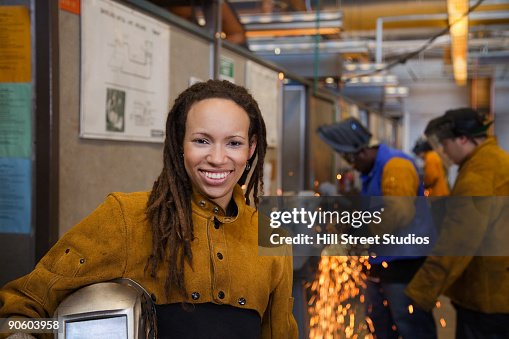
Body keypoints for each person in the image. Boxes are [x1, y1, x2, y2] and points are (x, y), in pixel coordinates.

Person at [0, 80, 298, 339]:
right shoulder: (126, 218)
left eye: (233, 143)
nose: (217, 158)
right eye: (201, 140)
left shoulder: (271, 238)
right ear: (179, 142)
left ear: (252, 147)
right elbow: (22, 305)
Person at [317, 117, 437, 339]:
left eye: (350, 159)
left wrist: (358, 232)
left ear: (361, 152)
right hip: (381, 261)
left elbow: (396, 213)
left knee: (410, 324)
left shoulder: (396, 166)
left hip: (404, 264)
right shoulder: (373, 170)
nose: (352, 165)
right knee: (380, 324)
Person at [406, 107, 509, 338]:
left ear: (463, 138)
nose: (443, 151)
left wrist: (421, 290)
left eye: (445, 144)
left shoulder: (478, 173)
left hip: (488, 299)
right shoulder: (493, 160)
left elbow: (458, 241)